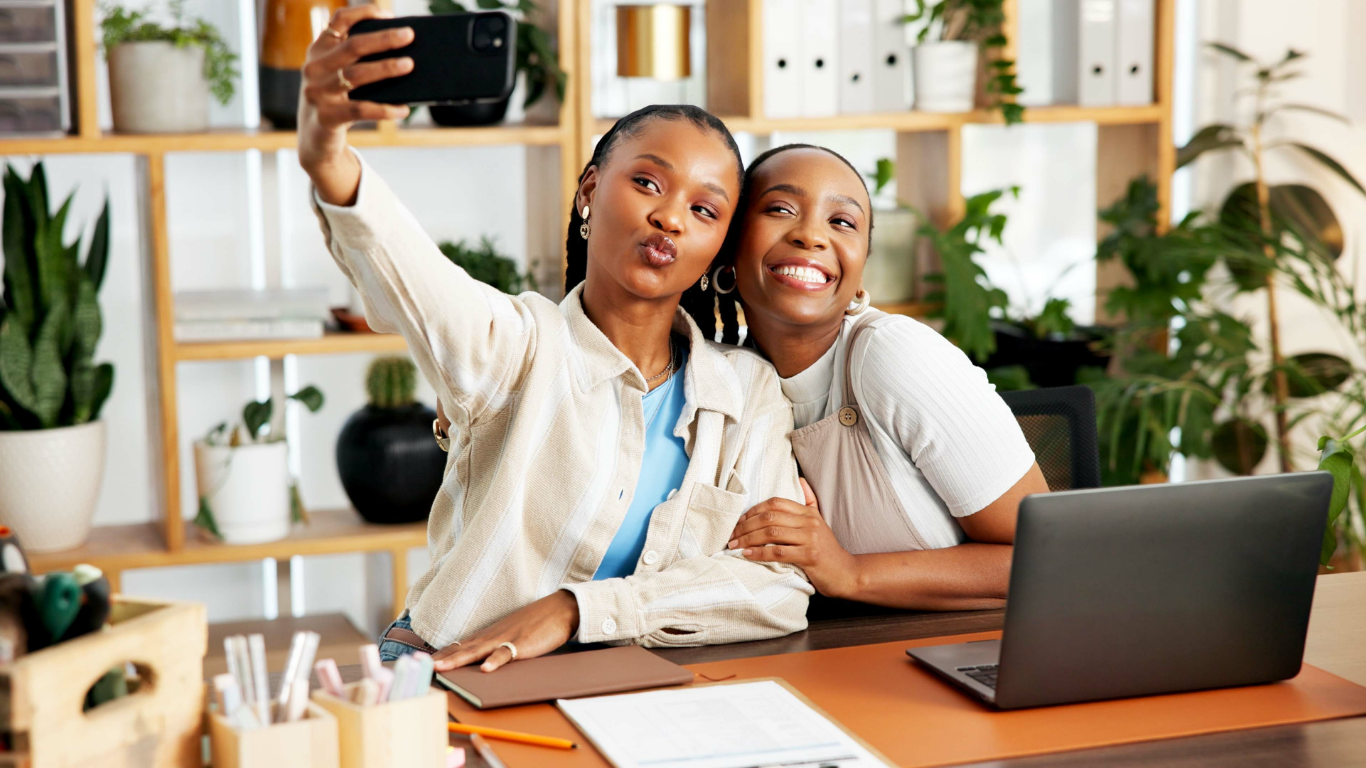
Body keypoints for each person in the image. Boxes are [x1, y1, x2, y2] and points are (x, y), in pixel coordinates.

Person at [299, 6, 813, 672]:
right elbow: (403, 267)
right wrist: (326, 153)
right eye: (648, 182)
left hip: (625, 680)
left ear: (719, 246)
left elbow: (775, 591)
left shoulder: (748, 394)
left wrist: (577, 610)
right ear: (589, 194)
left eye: (704, 209)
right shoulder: (515, 347)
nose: (669, 217)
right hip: (455, 669)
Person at [701, 144, 1050, 612]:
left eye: (841, 222)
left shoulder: (893, 355)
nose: (810, 235)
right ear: (730, 249)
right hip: (835, 654)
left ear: (861, 261)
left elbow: (1044, 557)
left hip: (981, 651)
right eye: (781, 209)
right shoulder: (728, 382)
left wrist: (847, 571)